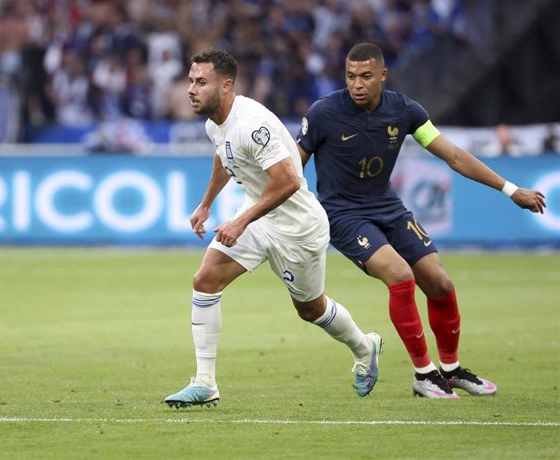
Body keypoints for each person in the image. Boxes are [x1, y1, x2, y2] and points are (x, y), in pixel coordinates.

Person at [296, 42, 547, 399]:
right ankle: (424, 375)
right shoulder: (323, 113)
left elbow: (455, 157)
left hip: (389, 208)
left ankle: (451, 369)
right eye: (351, 76)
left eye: (366, 76)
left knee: (440, 283)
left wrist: (510, 189)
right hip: (344, 215)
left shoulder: (404, 111)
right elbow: (292, 167)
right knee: (400, 277)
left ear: (383, 75)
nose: (357, 84)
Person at [164, 49, 383, 408]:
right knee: (205, 280)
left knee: (310, 310)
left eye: (201, 82)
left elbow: (288, 182)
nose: (191, 89)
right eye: (191, 81)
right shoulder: (214, 123)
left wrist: (239, 220)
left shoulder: (253, 124)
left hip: (297, 227)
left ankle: (364, 346)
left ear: (226, 85)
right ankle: (204, 382)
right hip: (258, 213)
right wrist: (206, 204)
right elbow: (225, 154)